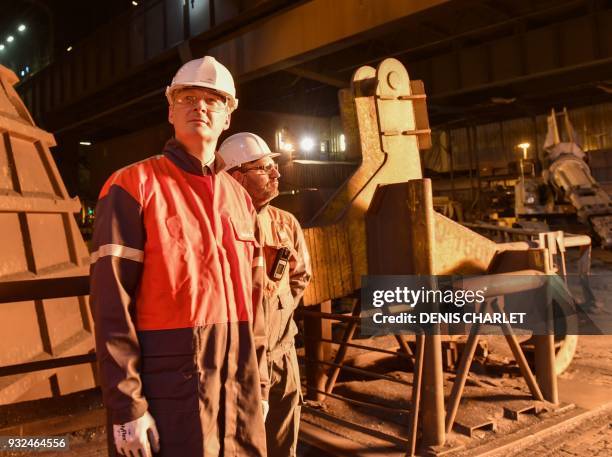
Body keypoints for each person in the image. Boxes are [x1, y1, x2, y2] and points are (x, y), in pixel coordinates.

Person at [89, 57, 269, 457]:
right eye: (187, 96)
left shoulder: (240, 199)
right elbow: (110, 306)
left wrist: (262, 386)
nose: (199, 106)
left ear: (227, 118)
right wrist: (126, 408)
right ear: (170, 111)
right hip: (169, 392)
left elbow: (257, 304)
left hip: (239, 389)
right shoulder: (132, 185)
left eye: (213, 99)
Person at [218, 132, 312, 457]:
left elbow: (300, 276)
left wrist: (278, 313)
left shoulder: (285, 224)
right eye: (264, 167)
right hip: (237, 365)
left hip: (282, 358)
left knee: (284, 445)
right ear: (235, 176)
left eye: (274, 165)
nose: (277, 173)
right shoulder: (217, 227)